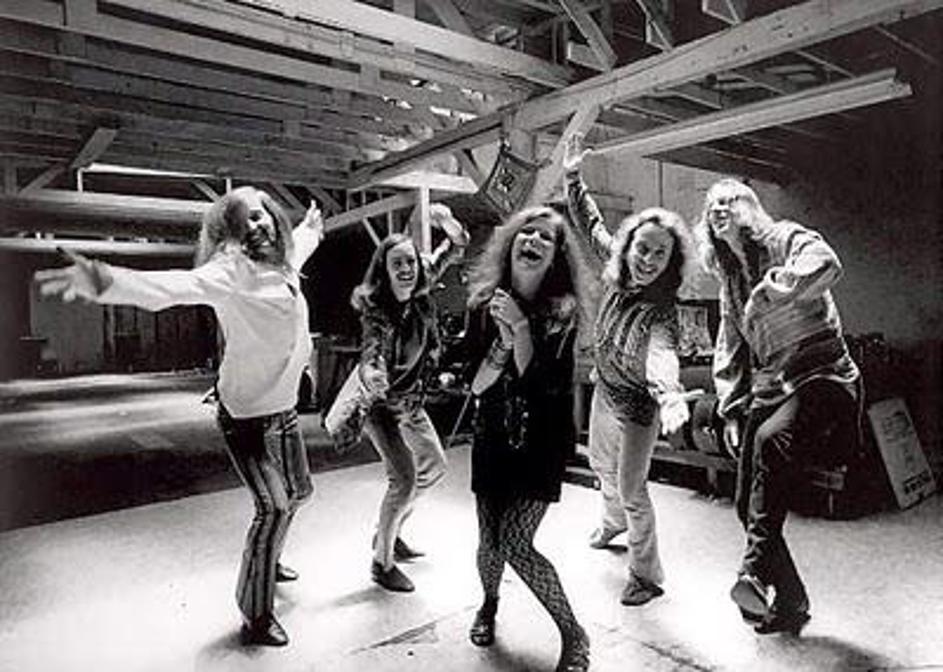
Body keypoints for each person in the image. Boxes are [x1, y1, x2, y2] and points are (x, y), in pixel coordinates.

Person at [35, 187, 324, 647]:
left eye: (263, 214)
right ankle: (255, 614)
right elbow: (170, 288)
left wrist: (310, 227)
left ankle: (268, 558)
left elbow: (303, 242)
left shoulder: (285, 262)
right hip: (245, 416)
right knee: (274, 508)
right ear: (230, 232)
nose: (259, 224)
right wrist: (105, 280)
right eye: (246, 220)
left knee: (299, 493)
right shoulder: (230, 271)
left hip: (284, 409)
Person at [695, 178, 861, 635]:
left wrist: (785, 286)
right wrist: (732, 410)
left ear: (750, 206)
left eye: (728, 200)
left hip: (823, 376)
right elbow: (730, 347)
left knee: (770, 442)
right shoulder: (730, 279)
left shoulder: (784, 237)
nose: (718, 208)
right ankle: (791, 601)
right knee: (746, 504)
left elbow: (826, 261)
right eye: (711, 204)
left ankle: (751, 573)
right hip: (771, 388)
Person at [563, 134, 692, 607]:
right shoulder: (615, 269)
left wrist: (670, 395)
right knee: (602, 467)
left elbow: (661, 352)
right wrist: (572, 175)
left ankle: (646, 575)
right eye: (643, 248)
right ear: (629, 246)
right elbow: (589, 222)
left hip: (640, 405)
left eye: (660, 254)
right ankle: (611, 523)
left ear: (670, 262)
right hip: (606, 389)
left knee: (632, 488)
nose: (648, 260)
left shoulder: (663, 311)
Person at [464, 205, 592, 672]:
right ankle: (489, 604)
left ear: (556, 256)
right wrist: (503, 339)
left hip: (542, 442)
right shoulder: (482, 305)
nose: (534, 240)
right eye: (527, 232)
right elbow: (476, 385)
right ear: (511, 242)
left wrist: (519, 326)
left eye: (546, 237)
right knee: (489, 540)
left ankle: (574, 633)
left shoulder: (563, 313)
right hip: (493, 436)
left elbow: (540, 386)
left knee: (516, 542)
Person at [351, 204, 469, 593]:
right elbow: (371, 351)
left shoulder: (423, 280)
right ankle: (381, 563)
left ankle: (391, 528)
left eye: (411, 262)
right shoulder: (377, 312)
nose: (407, 269)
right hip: (382, 408)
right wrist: (373, 373)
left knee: (434, 465)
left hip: (412, 403)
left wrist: (446, 222)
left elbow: (457, 246)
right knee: (402, 482)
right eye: (397, 263)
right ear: (384, 271)